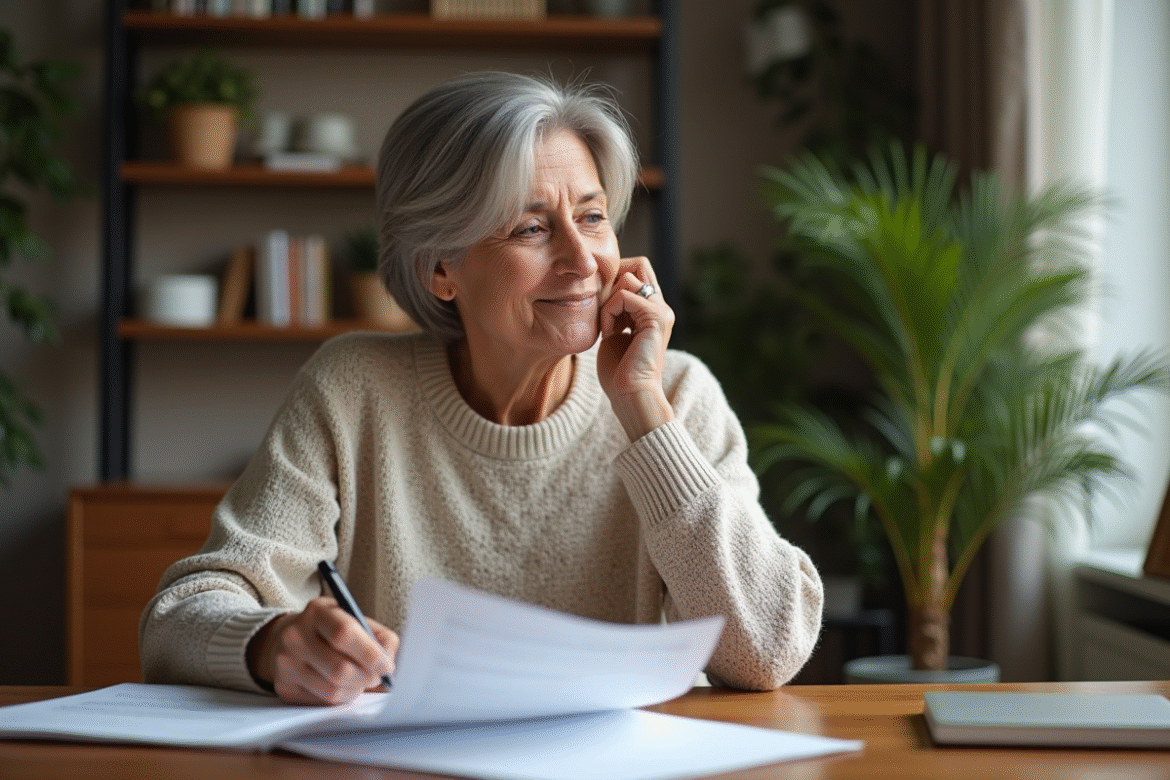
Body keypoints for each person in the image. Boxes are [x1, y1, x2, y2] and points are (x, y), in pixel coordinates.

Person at [140, 72, 823, 705]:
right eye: (531, 228)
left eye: (592, 217)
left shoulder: (675, 391)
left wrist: (643, 409)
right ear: (442, 268)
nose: (583, 261)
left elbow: (766, 652)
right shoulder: (353, 389)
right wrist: (270, 646)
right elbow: (181, 616)